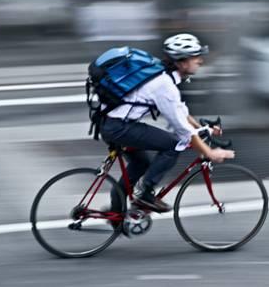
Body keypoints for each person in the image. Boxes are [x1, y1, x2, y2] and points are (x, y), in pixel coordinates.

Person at [100, 33, 235, 213]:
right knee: (173, 144)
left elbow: (180, 111)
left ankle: (116, 211)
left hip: (113, 124)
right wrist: (209, 152)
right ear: (181, 62)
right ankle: (146, 195)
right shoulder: (164, 85)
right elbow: (182, 131)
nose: (200, 61)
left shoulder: (164, 76)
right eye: (196, 57)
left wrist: (202, 128)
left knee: (141, 163)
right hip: (119, 128)